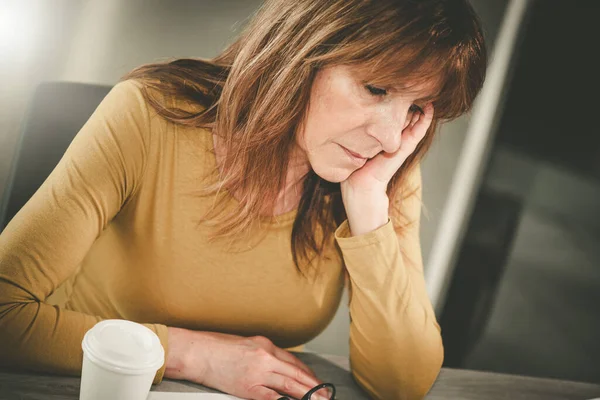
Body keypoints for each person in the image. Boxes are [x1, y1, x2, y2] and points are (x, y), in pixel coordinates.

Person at [0, 0, 487, 398]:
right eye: (375, 87)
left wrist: (367, 205)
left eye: (416, 109)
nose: (389, 135)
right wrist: (196, 355)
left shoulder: (383, 173)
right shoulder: (148, 116)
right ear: (301, 55)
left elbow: (403, 384)